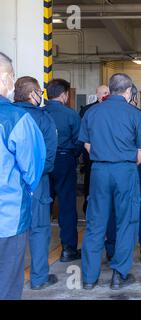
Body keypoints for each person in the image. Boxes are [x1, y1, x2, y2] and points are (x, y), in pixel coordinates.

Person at [79, 73, 141, 290]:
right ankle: (118, 275)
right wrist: (127, 163)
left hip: (99, 170)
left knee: (95, 223)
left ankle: (89, 279)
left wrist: (104, 155)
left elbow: (86, 144)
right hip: (126, 170)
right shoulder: (136, 115)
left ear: (110, 90)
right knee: (126, 222)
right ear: (129, 91)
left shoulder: (91, 113)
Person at [0, 52, 46, 299]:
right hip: (7, 218)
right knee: (7, 282)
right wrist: (25, 192)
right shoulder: (17, 119)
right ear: (6, 78)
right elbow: (33, 167)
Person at [105, 84, 141, 263]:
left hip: (111, 169)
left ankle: (112, 250)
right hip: (138, 168)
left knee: (114, 209)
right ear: (132, 97)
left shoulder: (105, 115)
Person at [13, 77, 58, 290]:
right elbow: (49, 157)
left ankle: (9, 281)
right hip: (37, 182)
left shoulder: (8, 115)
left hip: (9, 183)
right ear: (33, 94)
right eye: (40, 92)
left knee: (10, 231)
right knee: (39, 229)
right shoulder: (43, 118)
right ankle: (39, 279)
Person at [45, 79, 83, 262]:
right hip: (64, 159)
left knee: (44, 204)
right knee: (67, 205)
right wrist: (72, 156)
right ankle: (68, 249)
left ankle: (40, 249)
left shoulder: (40, 113)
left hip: (43, 161)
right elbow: (79, 142)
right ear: (64, 95)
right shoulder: (71, 115)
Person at [79, 85, 110, 213]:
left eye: (107, 92)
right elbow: (82, 134)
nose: (105, 95)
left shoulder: (113, 110)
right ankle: (88, 207)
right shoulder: (87, 110)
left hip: (109, 153)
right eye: (103, 93)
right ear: (97, 94)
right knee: (90, 181)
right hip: (91, 153)